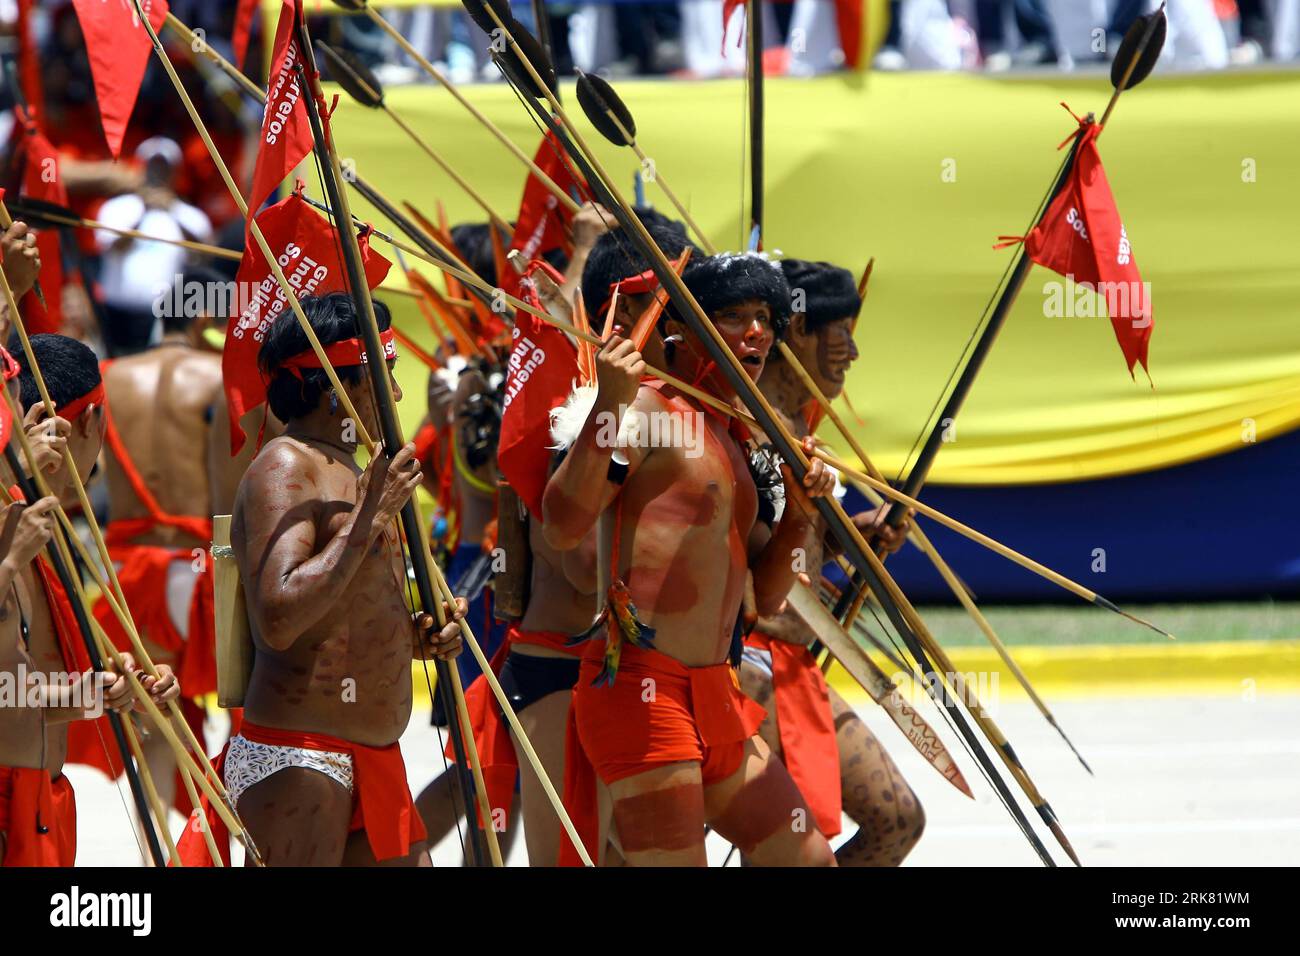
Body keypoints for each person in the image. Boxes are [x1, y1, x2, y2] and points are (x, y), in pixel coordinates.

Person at [545, 252, 838, 867]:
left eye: (764, 316)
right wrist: (608, 404)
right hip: (644, 691)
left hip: (716, 695)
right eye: (732, 316)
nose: (756, 331)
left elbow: (769, 595)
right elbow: (564, 524)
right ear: (682, 329)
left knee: (809, 859)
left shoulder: (732, 435)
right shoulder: (652, 411)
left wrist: (805, 511)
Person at [214, 293, 465, 866]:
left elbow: (344, 607)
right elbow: (279, 618)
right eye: (384, 377)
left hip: (372, 754)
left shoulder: (352, 467)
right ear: (337, 387)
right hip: (303, 758)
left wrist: (414, 636)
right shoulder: (287, 464)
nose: (397, 396)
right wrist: (373, 514)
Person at [740, 258, 925, 865]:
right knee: (792, 850)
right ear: (799, 332)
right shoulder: (746, 426)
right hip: (745, 666)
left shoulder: (799, 423)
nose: (852, 352)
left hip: (795, 665)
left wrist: (859, 535)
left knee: (896, 818)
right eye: (841, 331)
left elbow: (801, 538)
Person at [0, 335, 179, 866]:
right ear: (92, 420)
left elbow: (35, 670)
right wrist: (93, 692)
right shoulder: (15, 524)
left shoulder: (40, 520)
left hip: (40, 798)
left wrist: (117, 682)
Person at [66, 265, 227, 829]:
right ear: (205, 312)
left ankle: (160, 843)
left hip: (125, 568)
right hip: (195, 567)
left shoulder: (107, 377)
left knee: (150, 718)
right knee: (217, 715)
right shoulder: (218, 376)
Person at [94, 138, 213, 356]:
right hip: (116, 311)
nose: (157, 174)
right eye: (152, 167)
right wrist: (142, 212)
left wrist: (173, 212)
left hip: (162, 314)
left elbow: (203, 257)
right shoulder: (117, 208)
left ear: (175, 173)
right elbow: (113, 248)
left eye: (163, 169)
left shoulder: (191, 216)